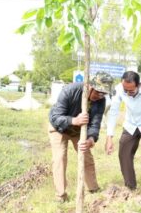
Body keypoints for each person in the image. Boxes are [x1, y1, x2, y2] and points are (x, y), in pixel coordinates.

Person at [47, 73, 112, 202]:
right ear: (89, 86)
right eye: (98, 92)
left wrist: (91, 139)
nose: (100, 96)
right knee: (60, 158)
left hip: (79, 131)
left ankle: (93, 189)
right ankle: (61, 195)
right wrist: (74, 120)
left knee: (87, 156)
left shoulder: (100, 101)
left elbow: (95, 123)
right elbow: (56, 117)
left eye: (103, 94)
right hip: (59, 128)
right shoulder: (69, 90)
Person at [104, 71, 141, 199]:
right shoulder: (120, 89)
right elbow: (113, 112)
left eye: (131, 91)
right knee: (123, 152)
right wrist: (109, 137)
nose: (128, 93)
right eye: (126, 90)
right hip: (131, 124)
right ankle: (130, 186)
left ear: (139, 85)